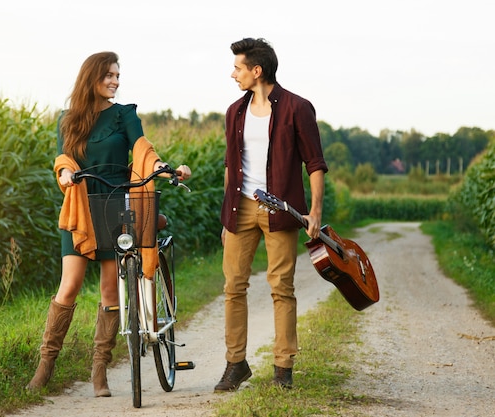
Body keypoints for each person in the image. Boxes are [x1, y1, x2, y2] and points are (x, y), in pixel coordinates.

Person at [26, 51, 192, 397]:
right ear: (92, 77)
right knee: (68, 286)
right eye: (109, 76)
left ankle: (99, 370)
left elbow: (142, 147)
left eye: (117, 75)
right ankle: (45, 366)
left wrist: (163, 165)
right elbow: (63, 157)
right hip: (81, 206)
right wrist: (66, 172)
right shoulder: (67, 118)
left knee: (108, 290)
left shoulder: (124, 114)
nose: (115, 81)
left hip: (117, 205)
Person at [214, 38, 328, 392]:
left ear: (256, 71)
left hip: (280, 210)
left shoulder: (297, 108)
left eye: (238, 67)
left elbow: (315, 164)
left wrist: (314, 212)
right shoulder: (235, 111)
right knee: (233, 286)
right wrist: (226, 218)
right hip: (241, 207)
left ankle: (283, 368)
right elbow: (231, 166)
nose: (233, 74)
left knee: (282, 288)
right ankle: (236, 364)